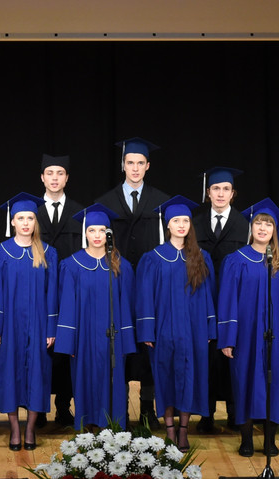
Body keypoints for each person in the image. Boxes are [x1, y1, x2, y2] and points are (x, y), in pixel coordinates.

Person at [217, 199, 279, 458]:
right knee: (244, 383)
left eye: (268, 224)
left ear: (274, 229)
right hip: (245, 335)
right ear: (251, 227)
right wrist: (228, 338)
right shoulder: (236, 260)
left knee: (275, 384)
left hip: (278, 335)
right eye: (258, 223)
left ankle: (270, 439)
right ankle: (246, 438)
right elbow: (227, 301)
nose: (263, 228)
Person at [136, 196, 216, 450]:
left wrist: (209, 328)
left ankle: (184, 430)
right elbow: (145, 298)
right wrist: (147, 331)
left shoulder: (201, 257)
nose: (181, 225)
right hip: (164, 330)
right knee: (166, 378)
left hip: (194, 330)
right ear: (167, 225)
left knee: (190, 379)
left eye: (185, 221)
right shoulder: (153, 258)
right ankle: (169, 429)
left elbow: (209, 296)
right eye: (176, 221)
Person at [96, 138, 168, 425]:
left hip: (151, 284)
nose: (135, 168)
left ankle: (148, 406)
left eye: (140, 163)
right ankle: (120, 407)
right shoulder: (105, 202)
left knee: (150, 342)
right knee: (120, 340)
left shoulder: (161, 202)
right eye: (130, 163)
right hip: (117, 281)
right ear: (122, 165)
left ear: (148, 166)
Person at [53, 204, 136, 430]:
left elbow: (127, 306)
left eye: (102, 230)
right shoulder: (71, 265)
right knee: (84, 379)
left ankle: (114, 428)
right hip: (84, 337)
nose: (97, 235)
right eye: (92, 230)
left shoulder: (121, 266)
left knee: (114, 381)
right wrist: (68, 342)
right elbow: (67, 306)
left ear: (109, 234)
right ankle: (87, 428)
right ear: (85, 233)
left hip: (113, 338)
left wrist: (126, 340)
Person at [0, 192, 57, 450]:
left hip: (39, 325)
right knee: (9, 374)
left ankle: (30, 429)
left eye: (30, 218)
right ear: (12, 221)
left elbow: (53, 293)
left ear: (35, 221)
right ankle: (15, 428)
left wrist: (51, 328)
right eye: (21, 218)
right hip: (9, 325)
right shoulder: (0, 253)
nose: (26, 223)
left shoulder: (48, 253)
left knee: (38, 374)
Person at [193, 167, 246, 432]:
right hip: (204, 297)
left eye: (226, 189)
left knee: (234, 355)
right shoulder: (195, 223)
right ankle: (207, 414)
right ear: (208, 192)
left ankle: (236, 412)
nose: (221, 194)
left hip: (236, 300)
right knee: (207, 359)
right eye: (216, 189)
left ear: (233, 193)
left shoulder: (245, 224)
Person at [36, 155, 81, 427]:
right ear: (42, 177)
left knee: (65, 348)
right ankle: (38, 408)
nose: (54, 178)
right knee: (39, 349)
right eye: (50, 173)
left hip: (68, 289)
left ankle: (63, 406)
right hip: (37, 290)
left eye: (60, 173)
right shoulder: (30, 211)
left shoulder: (79, 212)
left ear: (67, 178)